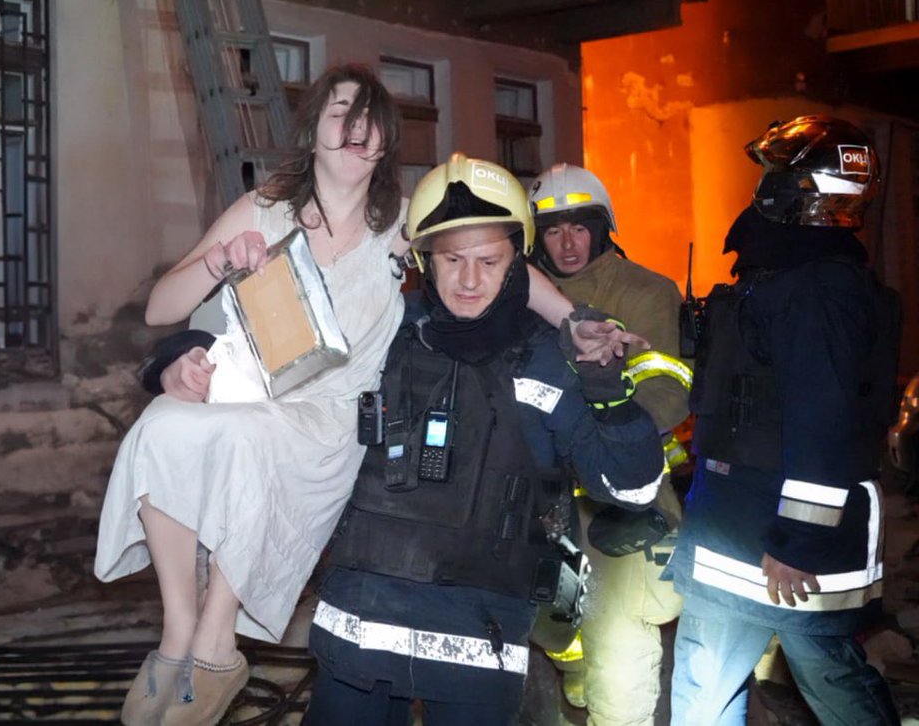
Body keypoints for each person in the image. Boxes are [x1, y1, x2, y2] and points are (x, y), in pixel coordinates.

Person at [95, 65, 635, 726]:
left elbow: (492, 255)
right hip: (260, 391)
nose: (357, 128)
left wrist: (578, 320)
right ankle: (179, 632)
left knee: (243, 440)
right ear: (314, 128)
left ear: (384, 144)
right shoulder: (264, 208)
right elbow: (161, 310)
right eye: (342, 112)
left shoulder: (399, 223)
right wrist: (216, 270)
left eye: (372, 118)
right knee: (160, 427)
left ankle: (216, 640)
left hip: (331, 418)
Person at [300, 153, 665, 724]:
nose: (470, 280)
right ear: (424, 258)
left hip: (478, 642)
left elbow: (633, 489)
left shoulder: (547, 359)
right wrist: (182, 358)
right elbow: (272, 374)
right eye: (452, 260)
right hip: (359, 630)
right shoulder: (382, 333)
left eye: (489, 261)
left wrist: (610, 395)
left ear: (518, 261)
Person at [666, 115, 901, 725]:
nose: (764, 186)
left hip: (784, 547)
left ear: (807, 191)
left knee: (835, 688)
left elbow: (825, 420)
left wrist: (798, 540)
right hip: (734, 528)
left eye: (777, 173)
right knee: (702, 692)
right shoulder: (781, 277)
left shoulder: (820, 288)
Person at [528, 163, 690, 725]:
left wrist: (597, 440)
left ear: (602, 229)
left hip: (621, 502)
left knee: (620, 646)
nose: (566, 243)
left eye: (579, 227)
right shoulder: (522, 293)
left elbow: (666, 394)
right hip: (540, 499)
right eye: (552, 229)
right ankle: (575, 683)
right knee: (554, 625)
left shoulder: (644, 291)